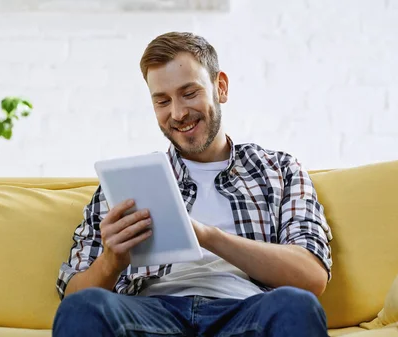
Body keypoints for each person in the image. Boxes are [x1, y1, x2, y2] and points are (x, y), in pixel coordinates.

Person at [53, 32, 333, 337]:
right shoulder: (124, 184)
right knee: (83, 308)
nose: (178, 113)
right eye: (162, 101)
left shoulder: (279, 170)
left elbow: (311, 276)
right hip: (151, 314)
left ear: (220, 87)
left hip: (245, 311)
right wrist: (111, 261)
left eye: (189, 93)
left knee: (296, 306)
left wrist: (206, 236)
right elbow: (73, 297)